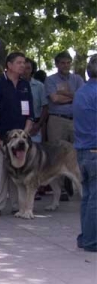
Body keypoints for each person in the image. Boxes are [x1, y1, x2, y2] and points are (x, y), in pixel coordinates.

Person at [0, 52, 33, 217]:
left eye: (24, 63)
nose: (23, 65)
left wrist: (24, 135)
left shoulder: (25, 85)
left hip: (19, 139)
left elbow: (30, 114)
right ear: (9, 65)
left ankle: (16, 205)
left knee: (17, 172)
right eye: (19, 62)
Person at [73, 54, 97, 253]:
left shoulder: (81, 91)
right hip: (94, 149)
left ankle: (86, 237)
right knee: (94, 198)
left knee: (88, 196)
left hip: (83, 149)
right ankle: (91, 240)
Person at [45, 51, 85, 145]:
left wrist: (63, 93)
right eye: (62, 63)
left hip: (76, 120)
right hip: (57, 121)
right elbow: (55, 99)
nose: (66, 65)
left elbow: (82, 98)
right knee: (56, 152)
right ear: (57, 64)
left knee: (76, 152)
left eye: (68, 63)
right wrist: (74, 97)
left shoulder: (77, 79)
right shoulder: (50, 80)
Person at [23, 57, 49, 143]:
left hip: (35, 126)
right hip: (19, 125)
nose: (25, 71)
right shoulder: (12, 85)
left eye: (28, 68)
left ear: (32, 70)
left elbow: (45, 107)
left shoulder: (39, 86)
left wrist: (38, 125)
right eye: (23, 68)